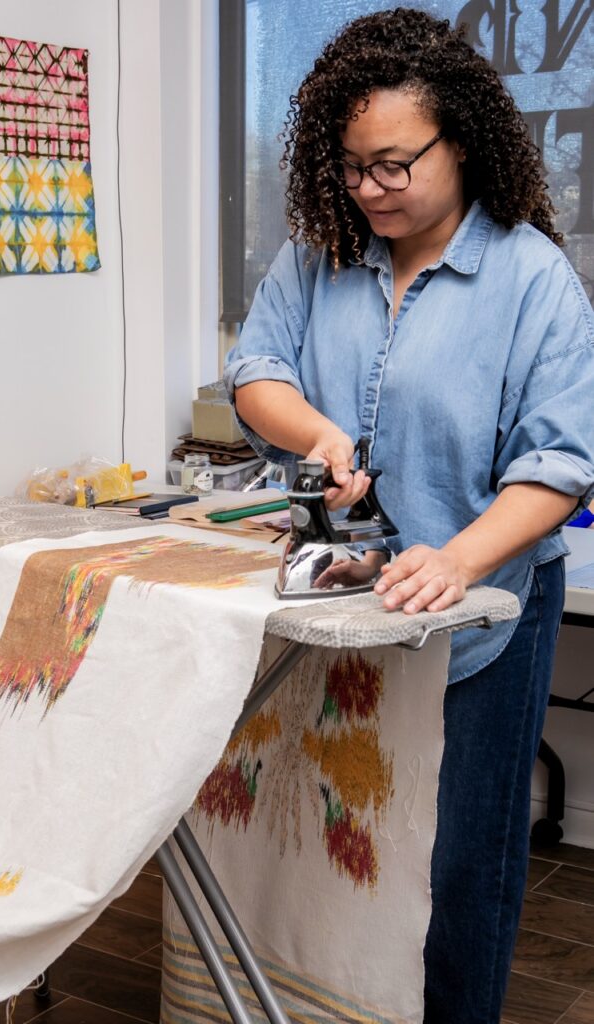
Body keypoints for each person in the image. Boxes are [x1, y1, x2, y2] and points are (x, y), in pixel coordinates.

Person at [224, 9, 594, 1023]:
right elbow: (255, 372)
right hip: (345, 602)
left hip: (481, 611)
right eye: (349, 167)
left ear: (460, 141)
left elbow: (558, 465)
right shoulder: (319, 256)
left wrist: (457, 561)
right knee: (338, 841)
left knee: (456, 860)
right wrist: (318, 436)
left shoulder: (532, 282)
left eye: (394, 164)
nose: (369, 189)